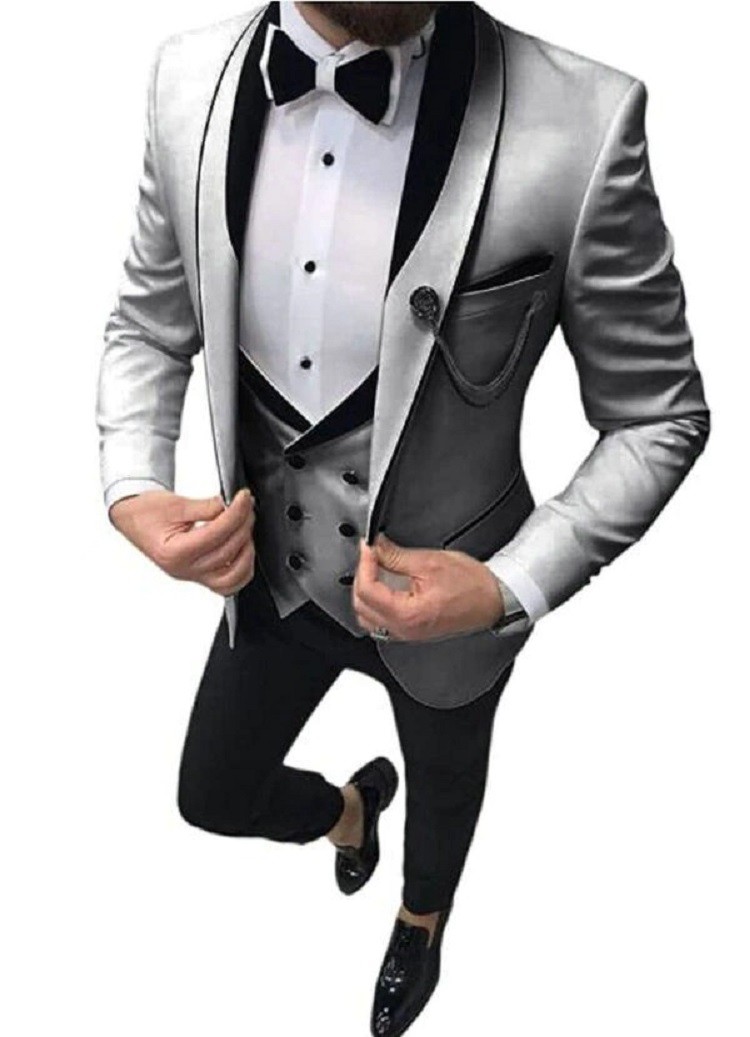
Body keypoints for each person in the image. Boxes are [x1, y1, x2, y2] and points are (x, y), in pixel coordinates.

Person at [96, 3, 710, 1034]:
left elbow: (659, 413)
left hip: (458, 608)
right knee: (212, 793)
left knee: (444, 811)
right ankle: (348, 811)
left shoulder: (586, 118)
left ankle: (421, 923)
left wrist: (511, 582)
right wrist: (131, 481)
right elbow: (149, 323)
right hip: (273, 576)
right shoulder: (183, 80)